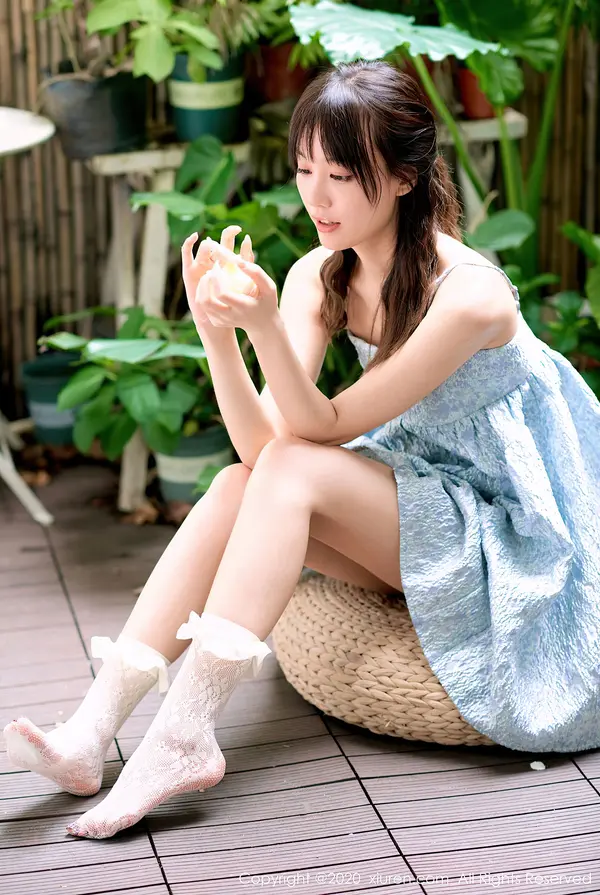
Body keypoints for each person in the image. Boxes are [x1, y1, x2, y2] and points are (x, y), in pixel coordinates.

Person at [4, 59, 600, 840]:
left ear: (406, 178)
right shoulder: (321, 273)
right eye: (304, 169)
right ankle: (92, 728)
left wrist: (261, 328)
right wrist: (219, 336)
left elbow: (322, 425)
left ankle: (184, 732)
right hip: (418, 498)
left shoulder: (470, 297)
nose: (316, 196)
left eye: (341, 176)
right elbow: (263, 447)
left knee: (285, 469)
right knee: (234, 485)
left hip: (506, 533)